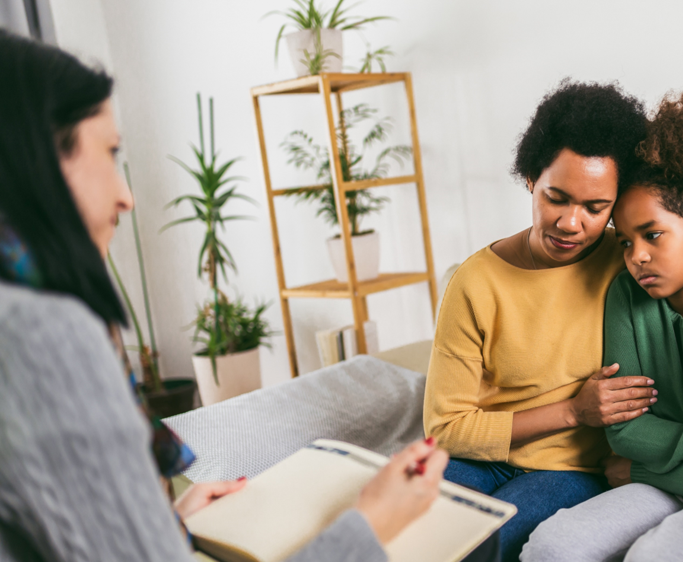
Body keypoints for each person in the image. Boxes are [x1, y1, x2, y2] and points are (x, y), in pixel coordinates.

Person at [0, 30, 453, 562]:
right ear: (37, 161)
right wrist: (371, 524)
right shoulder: (40, 334)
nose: (126, 196)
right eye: (110, 153)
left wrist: (161, 527)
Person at [424, 81, 683, 562]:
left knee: (488, 540)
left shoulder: (625, 254)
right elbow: (445, 428)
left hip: (574, 471)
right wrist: (573, 412)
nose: (572, 224)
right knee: (416, 523)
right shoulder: (478, 282)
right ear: (530, 179)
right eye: (556, 197)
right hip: (486, 459)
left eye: (594, 207)